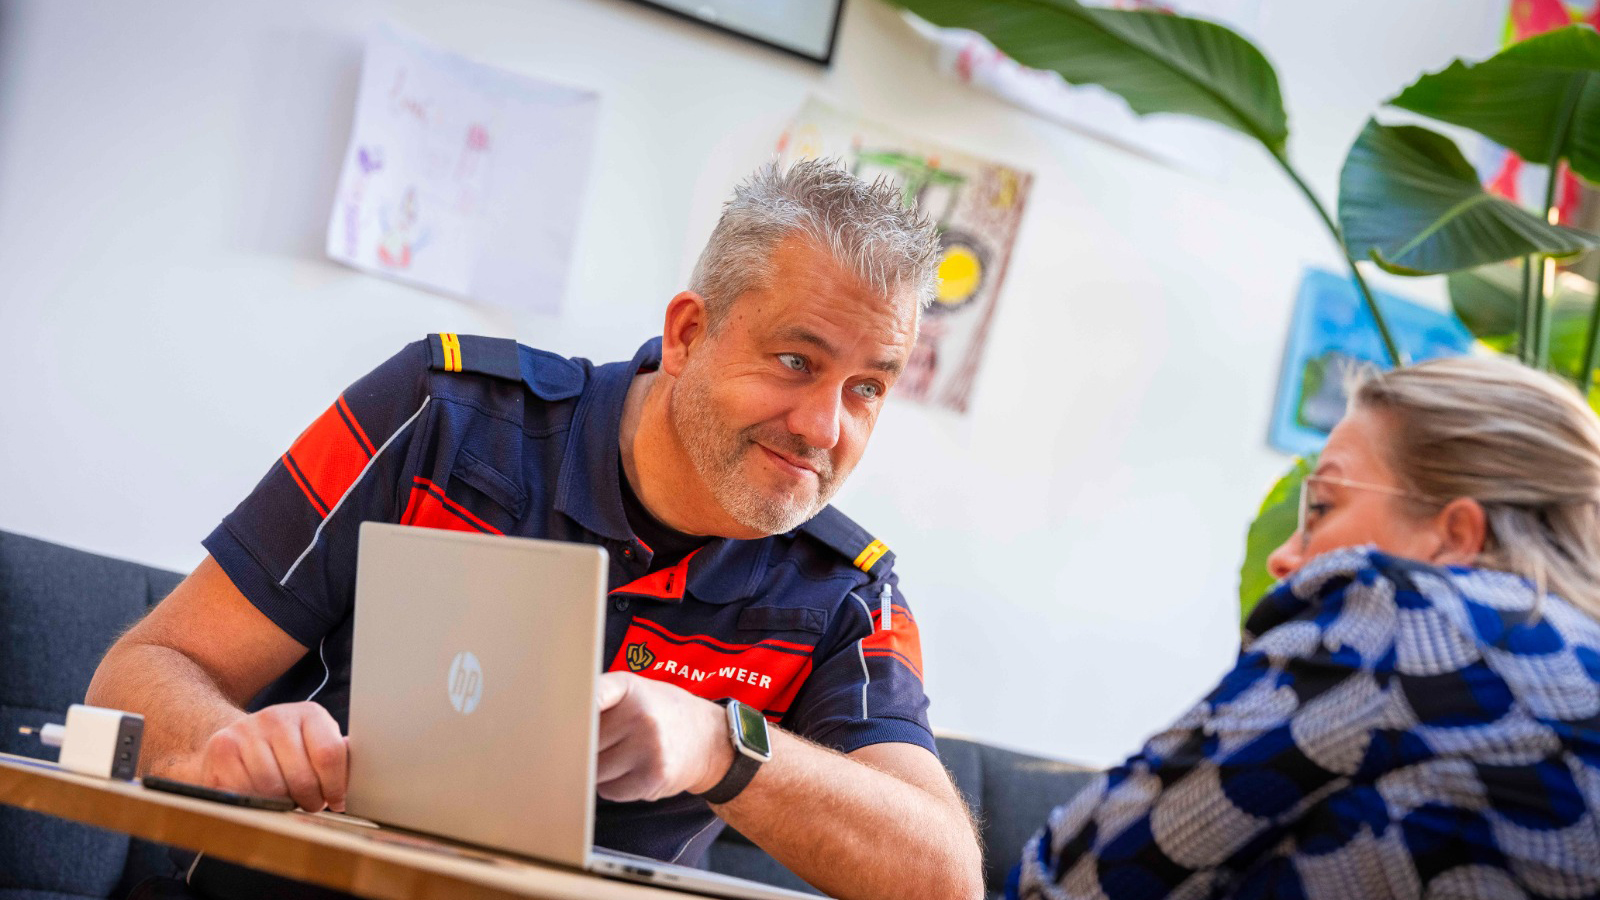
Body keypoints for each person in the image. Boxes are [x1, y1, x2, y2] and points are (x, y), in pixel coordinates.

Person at [88, 159, 983, 900]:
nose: (826, 428)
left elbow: (945, 879)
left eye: (868, 387)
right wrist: (221, 743)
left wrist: (719, 743)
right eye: (796, 361)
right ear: (687, 333)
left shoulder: (849, 592)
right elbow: (136, 676)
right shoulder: (436, 414)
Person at [1013, 356, 1600, 899]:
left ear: (1455, 536)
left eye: (1320, 507)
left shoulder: (1402, 612)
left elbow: (1075, 882)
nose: (1283, 557)